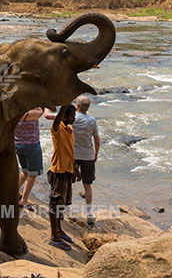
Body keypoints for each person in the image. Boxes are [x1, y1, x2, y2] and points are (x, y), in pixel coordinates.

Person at [47, 103, 76, 251]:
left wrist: (75, 169)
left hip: (67, 171)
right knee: (55, 205)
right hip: (58, 172)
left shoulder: (69, 129)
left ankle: (59, 230)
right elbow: (57, 120)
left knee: (62, 204)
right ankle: (54, 237)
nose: (74, 118)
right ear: (64, 116)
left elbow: (70, 151)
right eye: (72, 115)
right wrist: (64, 104)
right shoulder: (57, 128)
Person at [71, 95, 100, 224]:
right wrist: (96, 153)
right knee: (87, 185)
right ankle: (89, 214)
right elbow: (97, 140)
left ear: (76, 106)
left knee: (68, 182)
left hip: (73, 156)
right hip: (88, 156)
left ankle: (66, 209)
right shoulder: (92, 121)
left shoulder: (72, 118)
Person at [14, 107, 45, 210]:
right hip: (32, 146)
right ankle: (24, 200)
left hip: (18, 145)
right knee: (32, 174)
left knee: (25, 171)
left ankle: (13, 192)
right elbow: (41, 109)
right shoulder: (33, 113)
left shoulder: (15, 113)